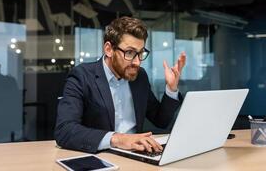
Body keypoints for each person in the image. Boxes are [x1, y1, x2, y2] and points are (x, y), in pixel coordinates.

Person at [55, 16, 186, 154]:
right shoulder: (82, 76)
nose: (137, 62)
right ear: (109, 49)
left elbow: (161, 121)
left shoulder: (139, 76)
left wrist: (171, 88)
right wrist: (118, 139)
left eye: (140, 53)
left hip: (137, 155)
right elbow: (65, 130)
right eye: (129, 53)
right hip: (100, 156)